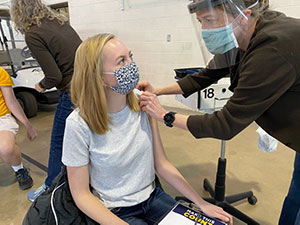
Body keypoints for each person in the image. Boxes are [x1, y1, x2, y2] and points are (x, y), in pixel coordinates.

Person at [137, 0, 300, 224]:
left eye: (211, 20)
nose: (206, 30)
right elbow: (204, 77)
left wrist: (166, 115)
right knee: (296, 198)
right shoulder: (241, 35)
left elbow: (225, 124)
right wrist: (158, 90)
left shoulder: (272, 46)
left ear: (244, 14)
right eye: (201, 22)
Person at [61, 33, 233, 225]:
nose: (131, 65)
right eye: (121, 61)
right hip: (114, 211)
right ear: (98, 76)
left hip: (152, 198)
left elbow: (161, 164)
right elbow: (81, 195)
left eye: (130, 56)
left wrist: (201, 203)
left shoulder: (141, 102)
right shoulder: (78, 124)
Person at [10, 0, 82, 201]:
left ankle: (50, 188)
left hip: (72, 92)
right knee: (85, 138)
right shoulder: (61, 24)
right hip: (90, 85)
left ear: (18, 13)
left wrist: (41, 85)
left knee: (59, 141)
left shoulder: (33, 33)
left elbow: (54, 76)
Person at [0, 67, 37, 190]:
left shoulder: (0, 73)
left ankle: (19, 169)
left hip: (2, 118)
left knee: (6, 148)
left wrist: (28, 125)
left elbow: (11, 101)